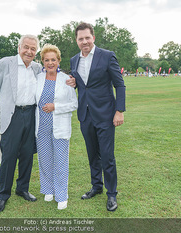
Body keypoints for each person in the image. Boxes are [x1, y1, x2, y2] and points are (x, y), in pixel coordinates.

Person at [66, 22, 126, 212]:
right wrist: (74, 83)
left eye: (87, 38)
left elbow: (120, 85)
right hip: (85, 115)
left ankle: (111, 194)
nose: (84, 41)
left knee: (107, 156)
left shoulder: (107, 56)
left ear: (93, 38)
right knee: (93, 155)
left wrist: (119, 111)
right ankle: (96, 187)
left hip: (106, 115)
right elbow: (83, 85)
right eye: (80, 38)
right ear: (76, 41)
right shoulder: (74, 60)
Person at [0, 34, 42, 213]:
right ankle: (3, 195)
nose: (29, 51)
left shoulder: (37, 67)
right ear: (19, 48)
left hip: (31, 114)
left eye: (33, 49)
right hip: (12, 115)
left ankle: (22, 188)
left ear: (36, 51)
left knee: (27, 154)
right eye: (26, 47)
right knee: (9, 156)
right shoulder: (5, 63)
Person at [35, 44, 78, 210]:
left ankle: (61, 195)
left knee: (60, 161)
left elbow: (74, 104)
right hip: (42, 127)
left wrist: (56, 107)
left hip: (60, 126)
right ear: (43, 62)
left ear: (58, 61)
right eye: (47, 60)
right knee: (45, 160)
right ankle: (48, 189)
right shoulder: (38, 78)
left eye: (53, 59)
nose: (50, 63)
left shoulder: (66, 80)